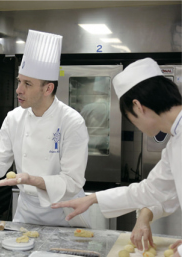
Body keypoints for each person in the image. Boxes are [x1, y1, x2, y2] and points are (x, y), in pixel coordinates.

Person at [51, 58, 182, 255]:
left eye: (131, 120)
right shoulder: (174, 143)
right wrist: (93, 199)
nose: (137, 127)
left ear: (138, 107)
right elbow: (150, 190)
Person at [0, 30, 90, 227]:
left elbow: (72, 182)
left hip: (64, 213)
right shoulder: (14, 118)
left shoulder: (72, 121)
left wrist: (33, 180)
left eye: (27, 84)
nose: (18, 89)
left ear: (47, 89)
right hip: (26, 213)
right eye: (19, 81)